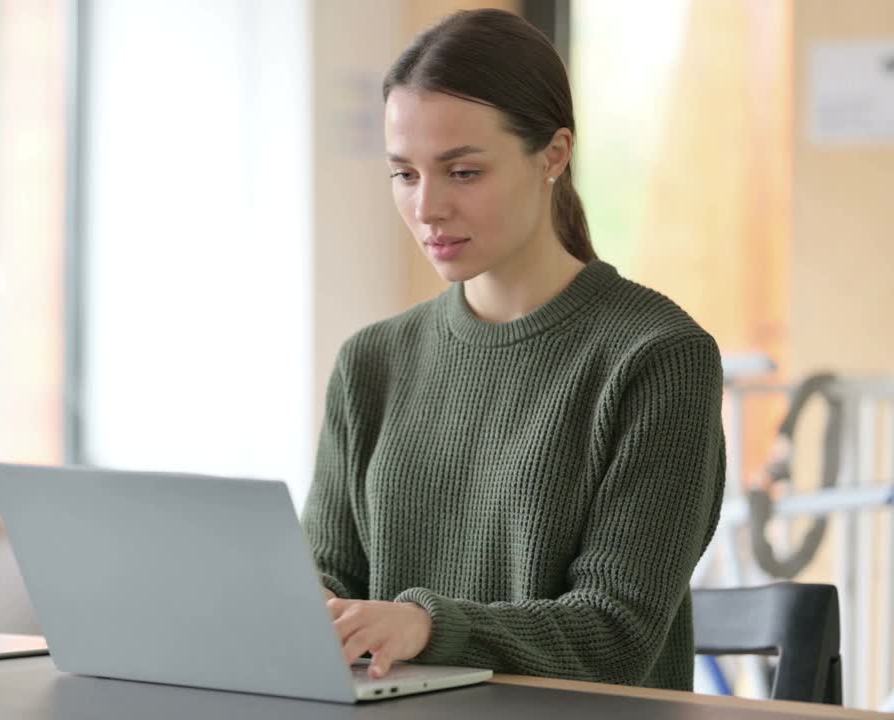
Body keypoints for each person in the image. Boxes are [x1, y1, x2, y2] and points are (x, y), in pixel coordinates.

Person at [302, 9, 725, 691]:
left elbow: (616, 632)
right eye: (404, 175)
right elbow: (323, 586)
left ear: (554, 154)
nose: (428, 207)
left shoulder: (658, 357)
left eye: (462, 172)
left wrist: (427, 624)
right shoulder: (371, 362)